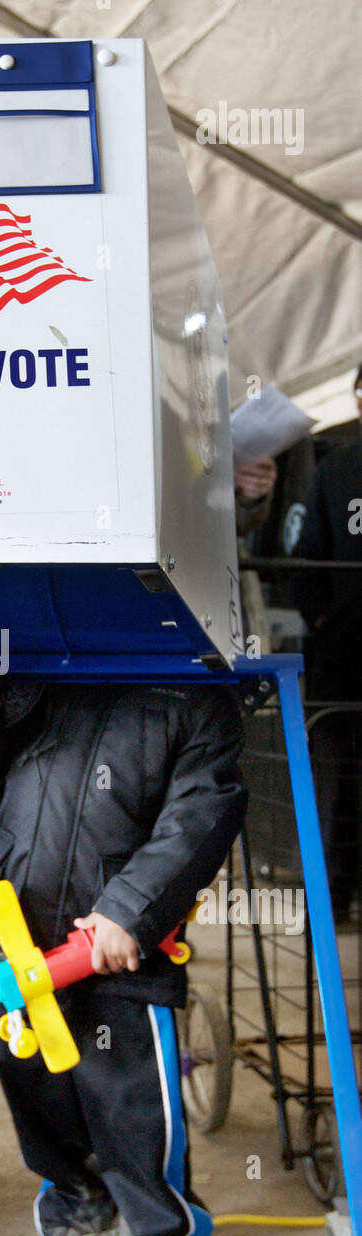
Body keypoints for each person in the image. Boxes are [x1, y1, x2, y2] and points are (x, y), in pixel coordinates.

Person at [0, 646, 246, 1236]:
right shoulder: (35, 669)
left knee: (126, 1098)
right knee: (37, 1086)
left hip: (120, 950)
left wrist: (130, 908)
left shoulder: (196, 695)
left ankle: (158, 1233)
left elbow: (199, 817)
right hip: (24, 941)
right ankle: (78, 1197)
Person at [293, 363, 362, 923]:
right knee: (339, 780)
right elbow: (305, 557)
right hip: (344, 656)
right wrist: (322, 618)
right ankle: (335, 899)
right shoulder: (335, 468)